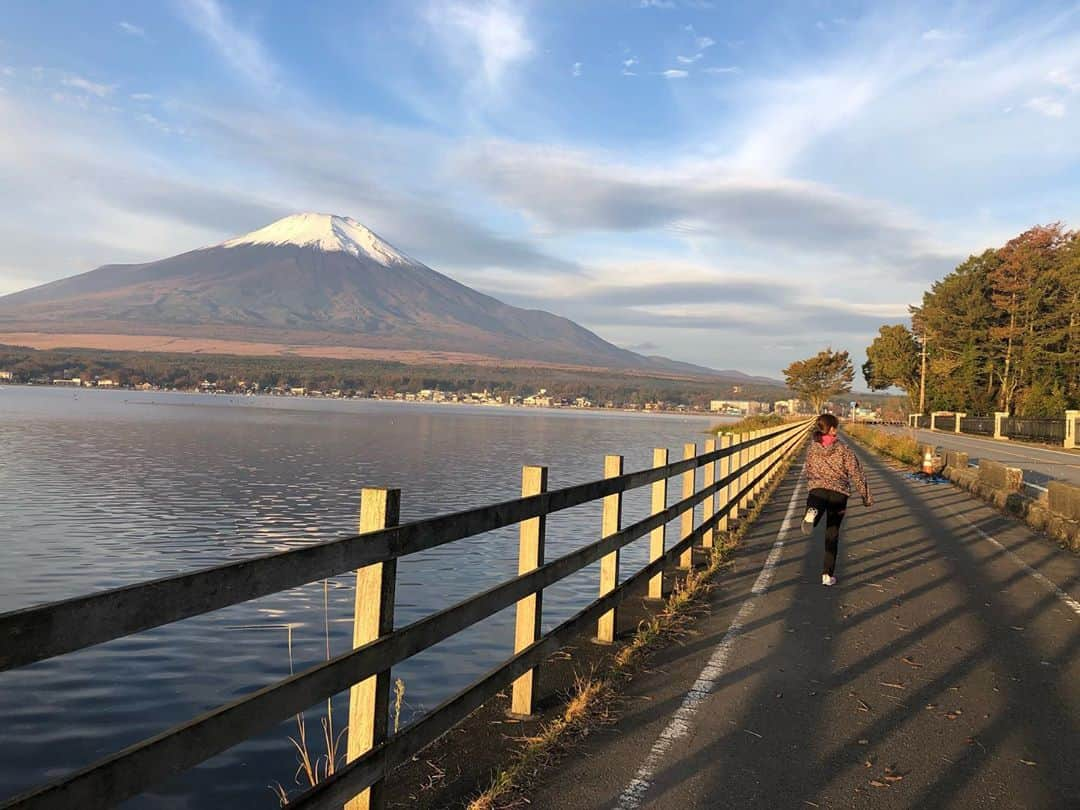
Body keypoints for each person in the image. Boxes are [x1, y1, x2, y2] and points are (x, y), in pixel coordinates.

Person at [801, 413, 872, 586]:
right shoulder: (843, 449)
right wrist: (866, 496)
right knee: (832, 533)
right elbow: (857, 473)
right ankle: (827, 575)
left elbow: (808, 470)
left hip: (817, 490)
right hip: (839, 493)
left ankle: (812, 514)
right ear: (832, 429)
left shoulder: (812, 448)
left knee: (815, 504)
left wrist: (813, 482)